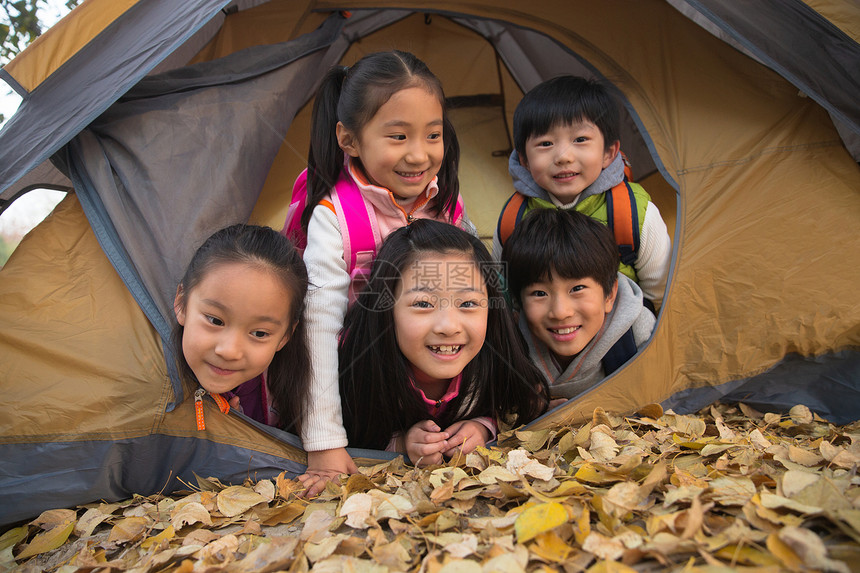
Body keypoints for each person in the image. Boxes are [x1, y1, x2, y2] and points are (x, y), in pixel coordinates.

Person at [294, 50, 473, 491]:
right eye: (398, 137)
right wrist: (324, 442)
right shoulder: (335, 217)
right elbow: (318, 328)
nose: (419, 155)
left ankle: (474, 420)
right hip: (362, 378)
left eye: (433, 135)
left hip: (432, 364)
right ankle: (389, 440)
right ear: (349, 140)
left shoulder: (446, 207)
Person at [339, 219, 548, 465]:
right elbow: (353, 433)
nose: (448, 327)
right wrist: (401, 443)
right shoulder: (358, 365)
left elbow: (521, 403)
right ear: (387, 310)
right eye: (423, 304)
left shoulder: (494, 358)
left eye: (467, 304)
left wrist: (484, 427)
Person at [492, 75, 671, 311]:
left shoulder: (632, 212)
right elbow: (501, 292)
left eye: (580, 139)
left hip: (625, 341)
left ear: (609, 152)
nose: (564, 157)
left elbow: (661, 295)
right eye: (546, 143)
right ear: (524, 158)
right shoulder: (512, 218)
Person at [502, 208, 656, 401]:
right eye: (539, 293)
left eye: (577, 289)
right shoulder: (510, 343)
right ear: (519, 301)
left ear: (609, 294)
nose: (560, 312)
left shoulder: (636, 334)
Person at [172, 224, 311, 432]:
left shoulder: (294, 387)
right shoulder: (144, 386)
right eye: (215, 321)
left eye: (259, 333)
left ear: (285, 336)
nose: (229, 351)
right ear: (182, 303)